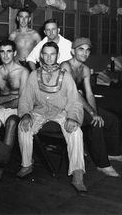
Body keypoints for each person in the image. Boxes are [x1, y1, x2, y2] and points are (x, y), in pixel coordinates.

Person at [18, 41, 87, 193]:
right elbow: (25, 100)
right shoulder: (33, 75)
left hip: (61, 112)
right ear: (41, 56)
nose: (49, 58)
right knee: (23, 126)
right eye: (46, 54)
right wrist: (26, 115)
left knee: (76, 132)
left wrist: (73, 117)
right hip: (39, 112)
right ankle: (26, 164)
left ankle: (77, 173)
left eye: (52, 54)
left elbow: (74, 101)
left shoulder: (66, 76)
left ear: (58, 55)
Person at [61, 37, 122, 177]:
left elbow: (89, 94)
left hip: (78, 104)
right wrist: (92, 114)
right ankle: (102, 164)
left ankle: (113, 153)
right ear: (72, 52)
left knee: (111, 119)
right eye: (81, 49)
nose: (84, 53)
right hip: (65, 107)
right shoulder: (65, 66)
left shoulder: (85, 69)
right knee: (95, 123)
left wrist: (96, 112)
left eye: (87, 50)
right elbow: (74, 94)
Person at [0, 40, 29, 183]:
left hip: (15, 111)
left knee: (11, 123)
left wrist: (2, 99)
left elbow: (21, 101)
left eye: (9, 51)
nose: (5, 55)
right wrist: (11, 96)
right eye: (2, 51)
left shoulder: (23, 72)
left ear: (14, 53)